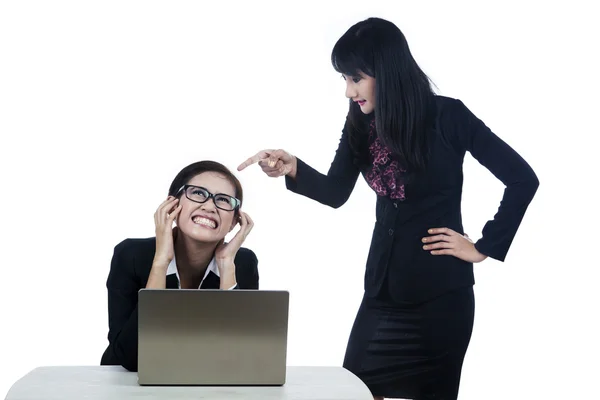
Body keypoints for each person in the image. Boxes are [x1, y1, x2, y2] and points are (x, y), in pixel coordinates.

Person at [238, 17, 538, 400]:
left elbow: (522, 179)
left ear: (386, 72)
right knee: (353, 391)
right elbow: (334, 192)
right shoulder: (360, 124)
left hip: (442, 297)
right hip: (382, 294)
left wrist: (483, 247)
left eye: (355, 78)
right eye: (344, 79)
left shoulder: (449, 116)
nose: (349, 91)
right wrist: (293, 167)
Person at [100, 160, 258, 372]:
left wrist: (226, 266)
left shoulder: (242, 263)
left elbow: (240, 359)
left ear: (233, 222)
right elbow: (131, 358)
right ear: (173, 206)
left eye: (223, 199)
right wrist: (161, 262)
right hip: (126, 387)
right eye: (199, 193)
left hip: (198, 384)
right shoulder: (131, 255)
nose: (209, 206)